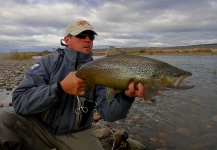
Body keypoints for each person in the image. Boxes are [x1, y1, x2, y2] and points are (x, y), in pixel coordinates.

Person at [0, 19, 159, 150]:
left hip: (77, 134)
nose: (88, 39)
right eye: (82, 35)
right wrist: (59, 88)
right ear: (67, 40)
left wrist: (126, 96)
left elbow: (109, 114)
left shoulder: (101, 70)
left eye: (91, 36)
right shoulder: (49, 62)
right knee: (3, 119)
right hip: (40, 128)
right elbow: (20, 102)